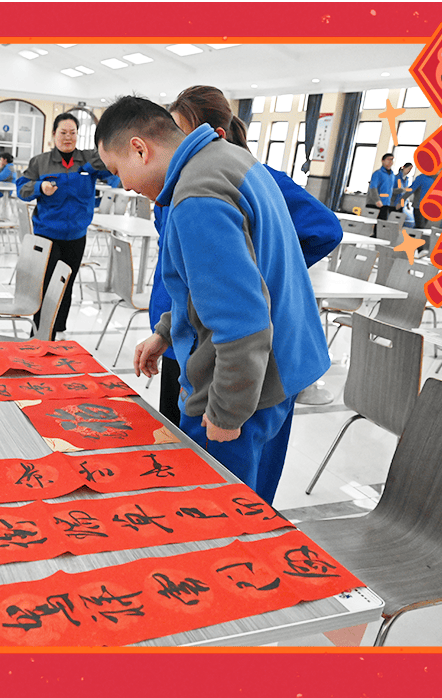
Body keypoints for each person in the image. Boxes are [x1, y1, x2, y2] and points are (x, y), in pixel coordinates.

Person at [94, 96, 330, 504]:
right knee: (255, 503)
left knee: (222, 512)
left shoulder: (197, 196)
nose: (124, 185)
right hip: (280, 366)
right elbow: (214, 283)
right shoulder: (230, 159)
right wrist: (167, 331)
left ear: (139, 149)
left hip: (244, 385)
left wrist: (226, 411)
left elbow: (241, 320)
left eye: (118, 171)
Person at [155, 85, 342, 425]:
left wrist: (262, 271)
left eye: (176, 134)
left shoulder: (228, 183)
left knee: (209, 445)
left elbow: (324, 229)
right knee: (174, 432)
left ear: (215, 135)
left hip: (229, 349)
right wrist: (166, 328)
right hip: (186, 328)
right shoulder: (176, 183)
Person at [16, 113, 114, 339]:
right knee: (46, 284)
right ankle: (39, 333)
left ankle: (58, 329)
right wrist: (40, 187)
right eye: (63, 132)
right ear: (54, 134)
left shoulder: (89, 159)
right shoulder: (40, 162)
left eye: (73, 132)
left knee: (66, 283)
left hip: (76, 235)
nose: (68, 137)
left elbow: (113, 166)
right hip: (47, 235)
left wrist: (94, 163)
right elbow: (21, 189)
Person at [368, 153, 397, 221]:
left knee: (381, 225)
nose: (390, 161)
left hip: (386, 204)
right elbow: (373, 188)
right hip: (375, 204)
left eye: (392, 160)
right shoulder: (378, 173)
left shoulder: (392, 175)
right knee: (371, 224)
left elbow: (391, 190)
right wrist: (377, 200)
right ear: (383, 161)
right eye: (388, 159)